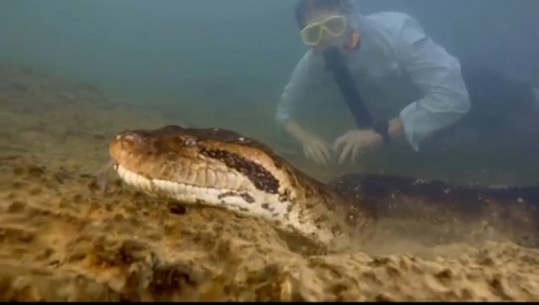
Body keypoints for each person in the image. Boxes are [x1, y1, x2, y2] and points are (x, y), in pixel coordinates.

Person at [275, 0, 539, 165]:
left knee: (524, 121)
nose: (329, 39)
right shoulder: (314, 62)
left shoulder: (395, 31)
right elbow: (285, 112)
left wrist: (378, 134)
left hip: (475, 91)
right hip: (417, 125)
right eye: (314, 33)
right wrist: (305, 138)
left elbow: (453, 98)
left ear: (351, 17)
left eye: (334, 26)